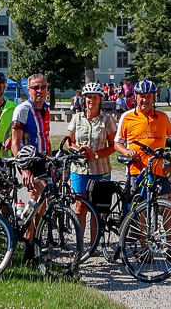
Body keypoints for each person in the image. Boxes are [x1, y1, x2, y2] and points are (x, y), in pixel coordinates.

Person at [66, 82, 117, 243]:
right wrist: (79, 150)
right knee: (80, 207)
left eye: (95, 97)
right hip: (79, 169)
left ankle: (94, 244)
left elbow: (114, 146)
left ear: (100, 99)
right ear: (84, 99)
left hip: (100, 169)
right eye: (89, 97)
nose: (91, 100)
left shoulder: (107, 120)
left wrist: (94, 155)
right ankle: (80, 244)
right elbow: (68, 141)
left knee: (97, 208)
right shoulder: (77, 117)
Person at [10, 73, 52, 263]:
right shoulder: (22, 109)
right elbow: (15, 144)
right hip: (28, 161)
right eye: (36, 87)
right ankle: (29, 246)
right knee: (39, 199)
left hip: (43, 161)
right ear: (28, 90)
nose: (40, 91)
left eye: (43, 87)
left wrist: (52, 162)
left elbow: (45, 138)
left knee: (39, 204)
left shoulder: (46, 109)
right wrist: (24, 168)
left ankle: (31, 241)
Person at [113, 80, 171, 197]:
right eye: (142, 96)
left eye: (149, 96)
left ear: (154, 98)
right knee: (141, 211)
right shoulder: (127, 117)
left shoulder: (162, 116)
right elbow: (117, 144)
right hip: (136, 171)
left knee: (169, 210)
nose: (145, 100)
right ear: (136, 97)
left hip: (158, 171)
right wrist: (127, 152)